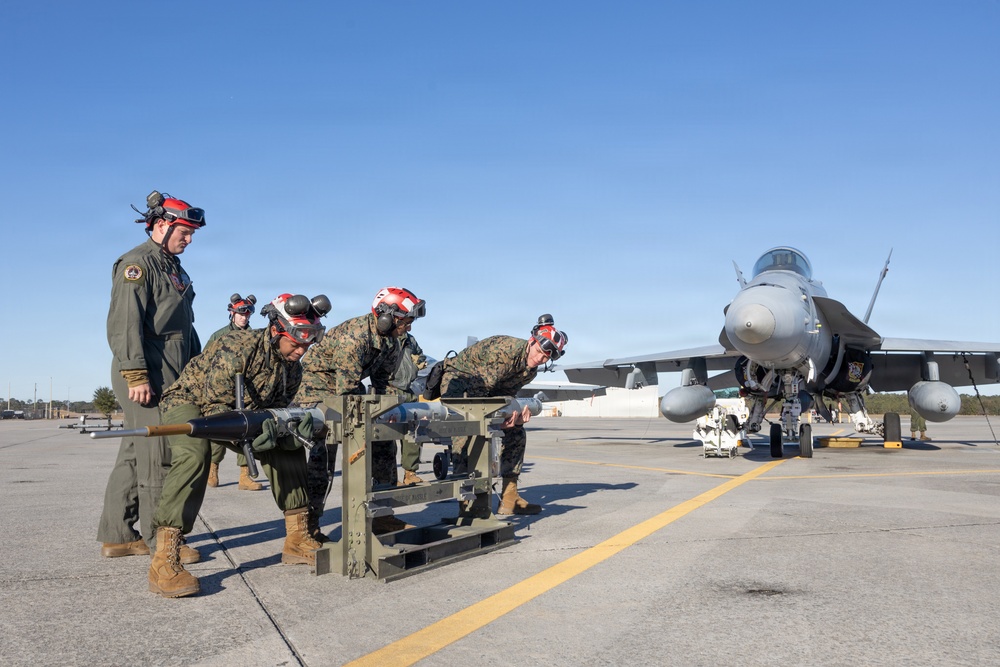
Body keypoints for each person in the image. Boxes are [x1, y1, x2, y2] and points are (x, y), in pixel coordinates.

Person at [148, 293, 330, 598]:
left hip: (243, 415)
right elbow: (213, 405)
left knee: (287, 445)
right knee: (195, 454)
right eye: (297, 342)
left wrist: (278, 429)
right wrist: (252, 430)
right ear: (276, 331)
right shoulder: (236, 347)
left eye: (309, 342)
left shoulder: (293, 368)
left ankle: (297, 538)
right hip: (190, 403)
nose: (303, 349)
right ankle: (163, 559)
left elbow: (277, 410)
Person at [97, 190, 205, 563]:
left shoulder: (171, 266)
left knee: (134, 451)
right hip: (148, 370)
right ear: (161, 225)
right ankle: (162, 538)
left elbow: (183, 328)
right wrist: (136, 375)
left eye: (192, 234)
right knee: (159, 452)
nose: (189, 239)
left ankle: (118, 535)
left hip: (171, 369)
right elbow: (124, 324)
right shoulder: (138, 264)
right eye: (184, 232)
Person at [297, 286, 427, 538]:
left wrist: (388, 408)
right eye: (405, 322)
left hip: (349, 387)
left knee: (385, 436)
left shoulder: (391, 339)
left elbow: (384, 380)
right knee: (324, 450)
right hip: (316, 390)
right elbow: (345, 394)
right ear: (386, 316)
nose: (408, 328)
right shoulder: (354, 336)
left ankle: (382, 515)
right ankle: (308, 527)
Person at [437, 314, 567, 516]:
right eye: (540, 352)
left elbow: (503, 397)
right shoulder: (505, 352)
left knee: (517, 433)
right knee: (467, 437)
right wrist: (496, 423)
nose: (541, 359)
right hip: (460, 384)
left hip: (485, 393)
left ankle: (509, 498)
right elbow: (483, 397)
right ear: (532, 342)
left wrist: (510, 418)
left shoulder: (529, 370)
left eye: (546, 358)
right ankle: (467, 504)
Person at [206, 293, 263, 490]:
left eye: (247, 315)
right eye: (240, 314)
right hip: (222, 388)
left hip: (247, 389)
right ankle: (213, 470)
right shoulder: (219, 335)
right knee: (220, 429)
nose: (244, 318)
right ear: (232, 313)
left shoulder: (254, 336)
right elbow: (205, 360)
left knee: (246, 430)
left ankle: (245, 476)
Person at [371, 330, 429, 486]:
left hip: (408, 390)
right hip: (387, 390)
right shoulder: (383, 337)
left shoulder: (409, 339)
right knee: (385, 437)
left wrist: (418, 363)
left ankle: (410, 473)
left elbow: (420, 354)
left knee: (413, 433)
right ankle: (386, 479)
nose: (408, 327)